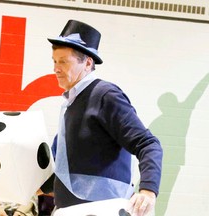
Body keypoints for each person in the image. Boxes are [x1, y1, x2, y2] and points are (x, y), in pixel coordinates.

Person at [45, 20, 163, 216]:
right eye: (54, 61)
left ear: (87, 62)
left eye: (63, 61)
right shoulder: (70, 104)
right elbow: (60, 168)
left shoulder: (105, 96)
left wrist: (148, 191)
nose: (56, 68)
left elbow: (148, 144)